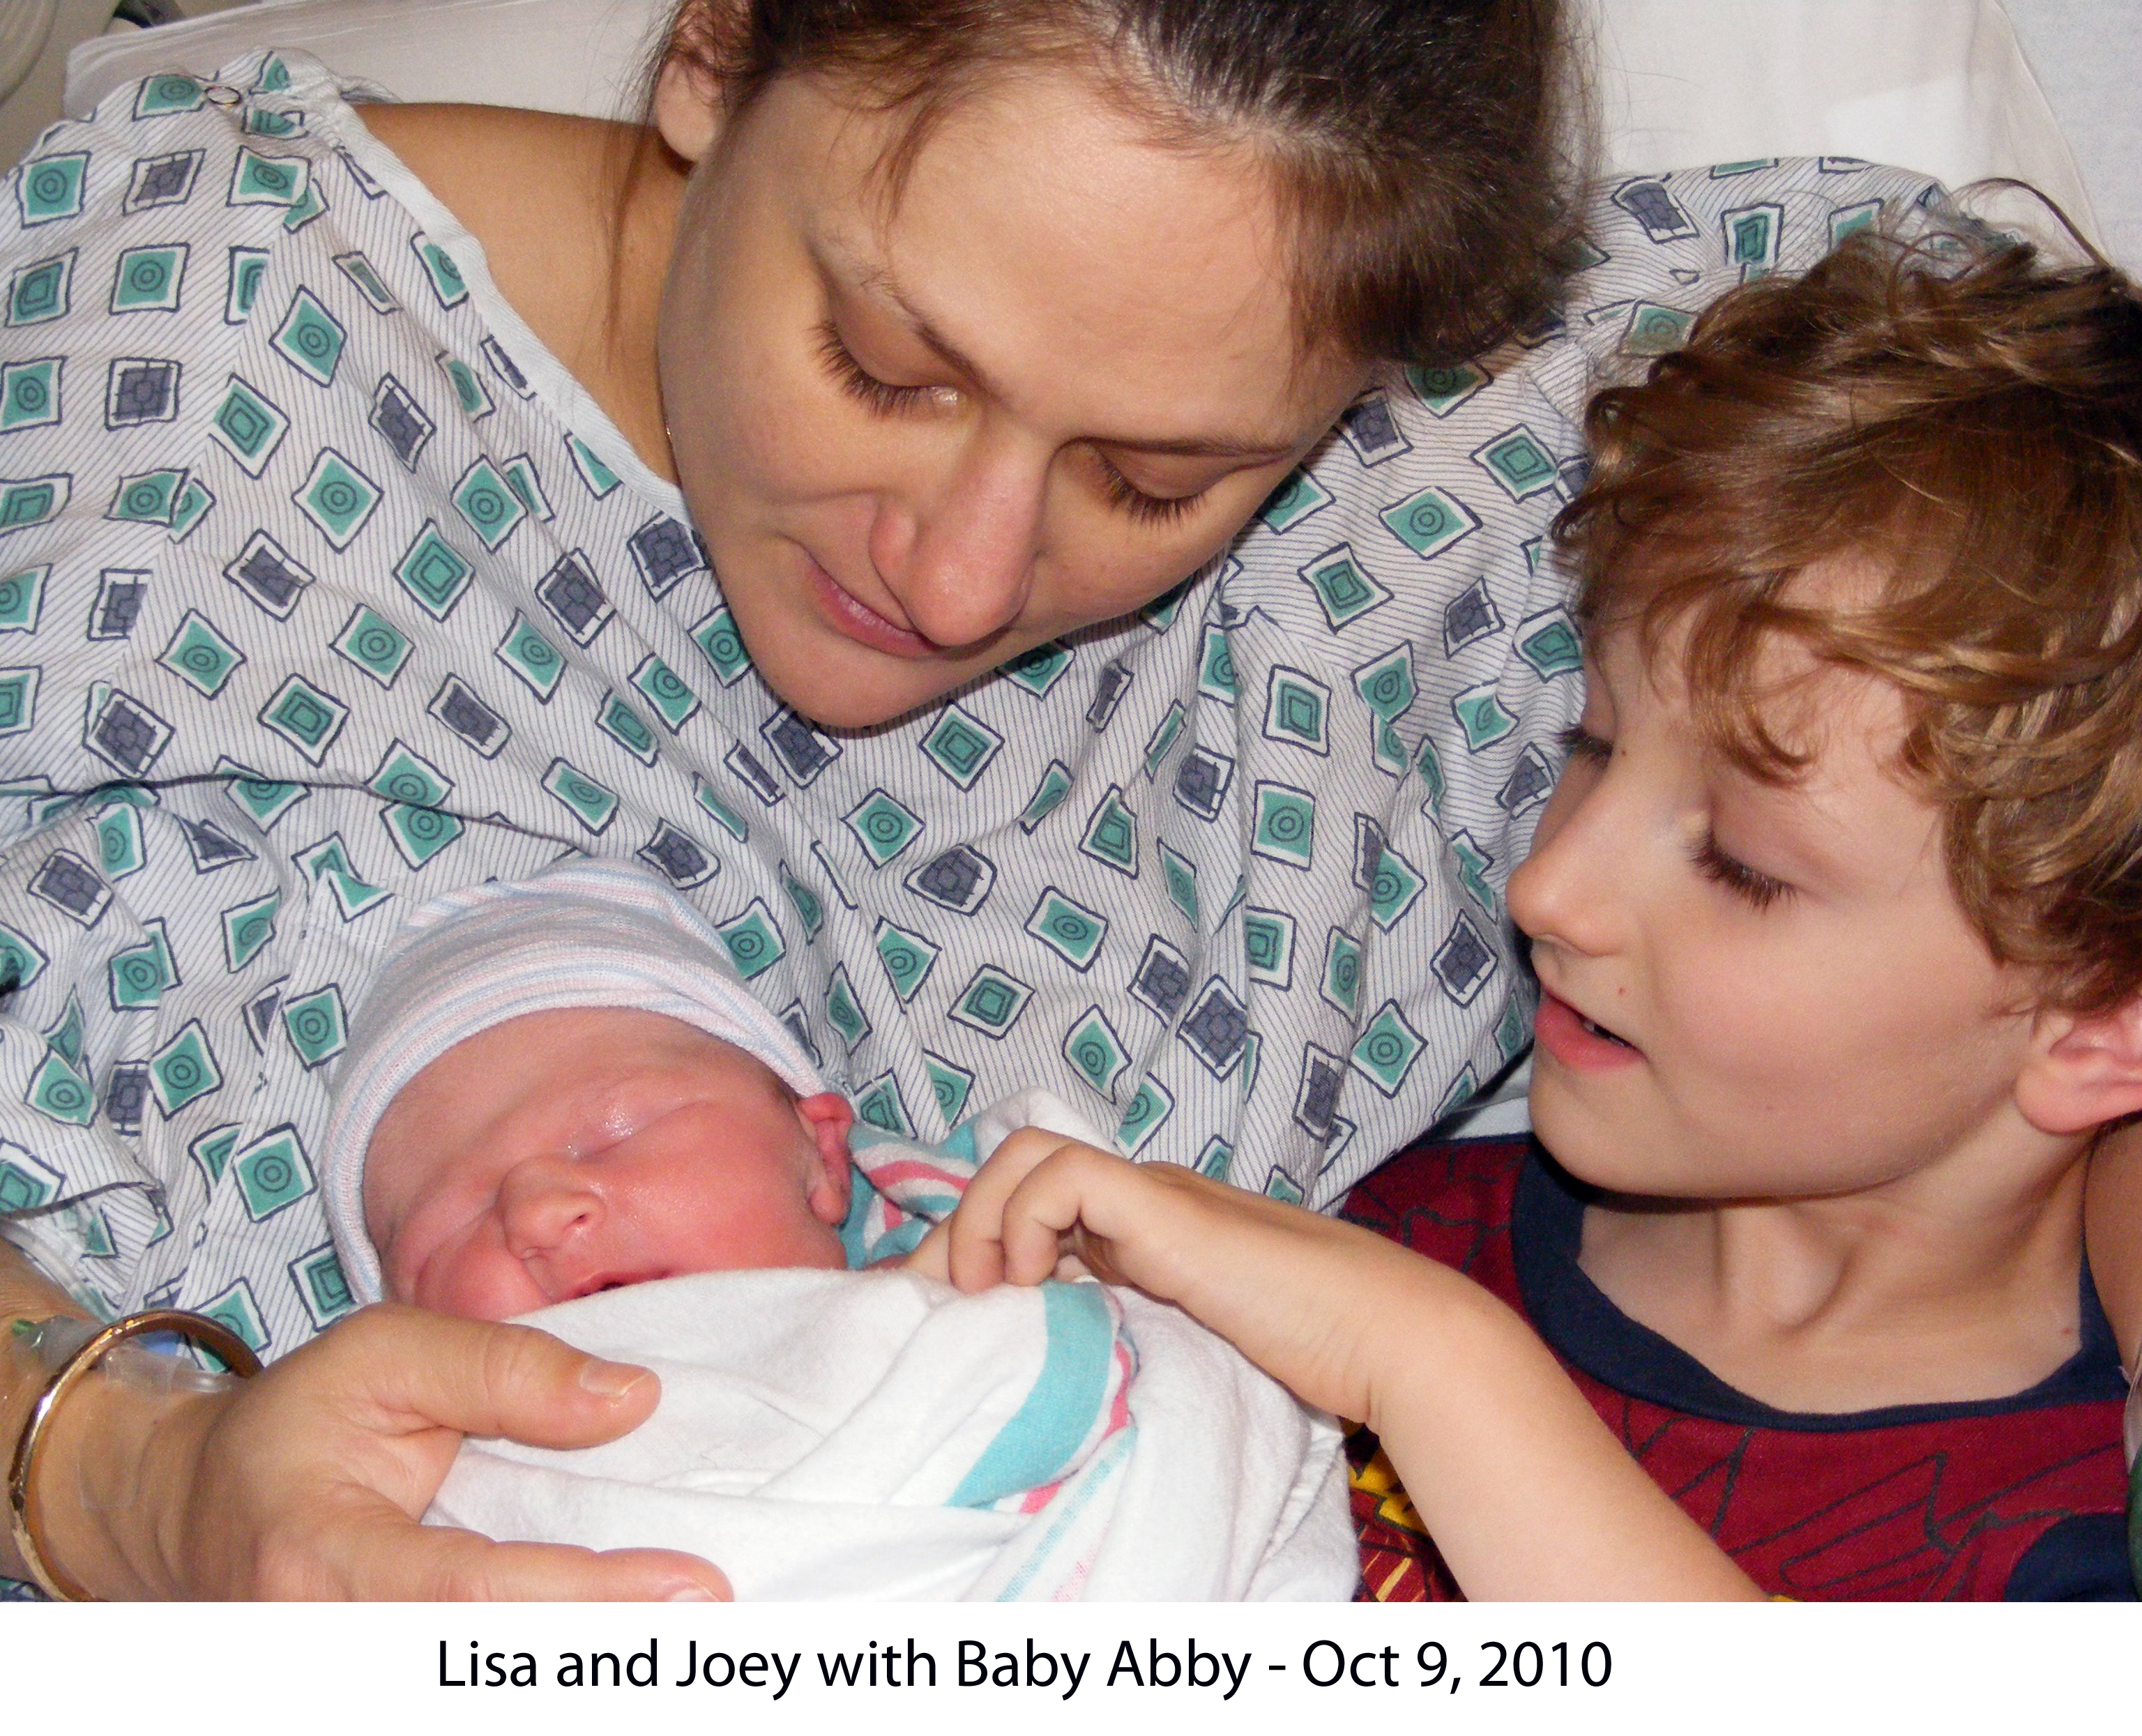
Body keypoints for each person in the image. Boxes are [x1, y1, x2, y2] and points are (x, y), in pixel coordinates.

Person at [0, 0, 1959, 1600]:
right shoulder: (211, 351)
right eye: (884, 366)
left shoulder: (1481, 480)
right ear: (711, 49)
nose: (952, 580)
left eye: (1157, 480)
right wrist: (115, 1468)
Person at [929, 229, 2142, 1600]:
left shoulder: (2071, 1539)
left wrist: (1430, 1364)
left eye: (1743, 864)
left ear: (2098, 1015)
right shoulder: (1360, 1228)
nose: (1548, 889)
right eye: (1599, 747)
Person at [308, 857, 1351, 1601]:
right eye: (450, 1221)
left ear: (819, 1153)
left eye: (619, 1126)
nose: (538, 1210)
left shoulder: (995, 1277)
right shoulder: (420, 1510)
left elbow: (1162, 1393)